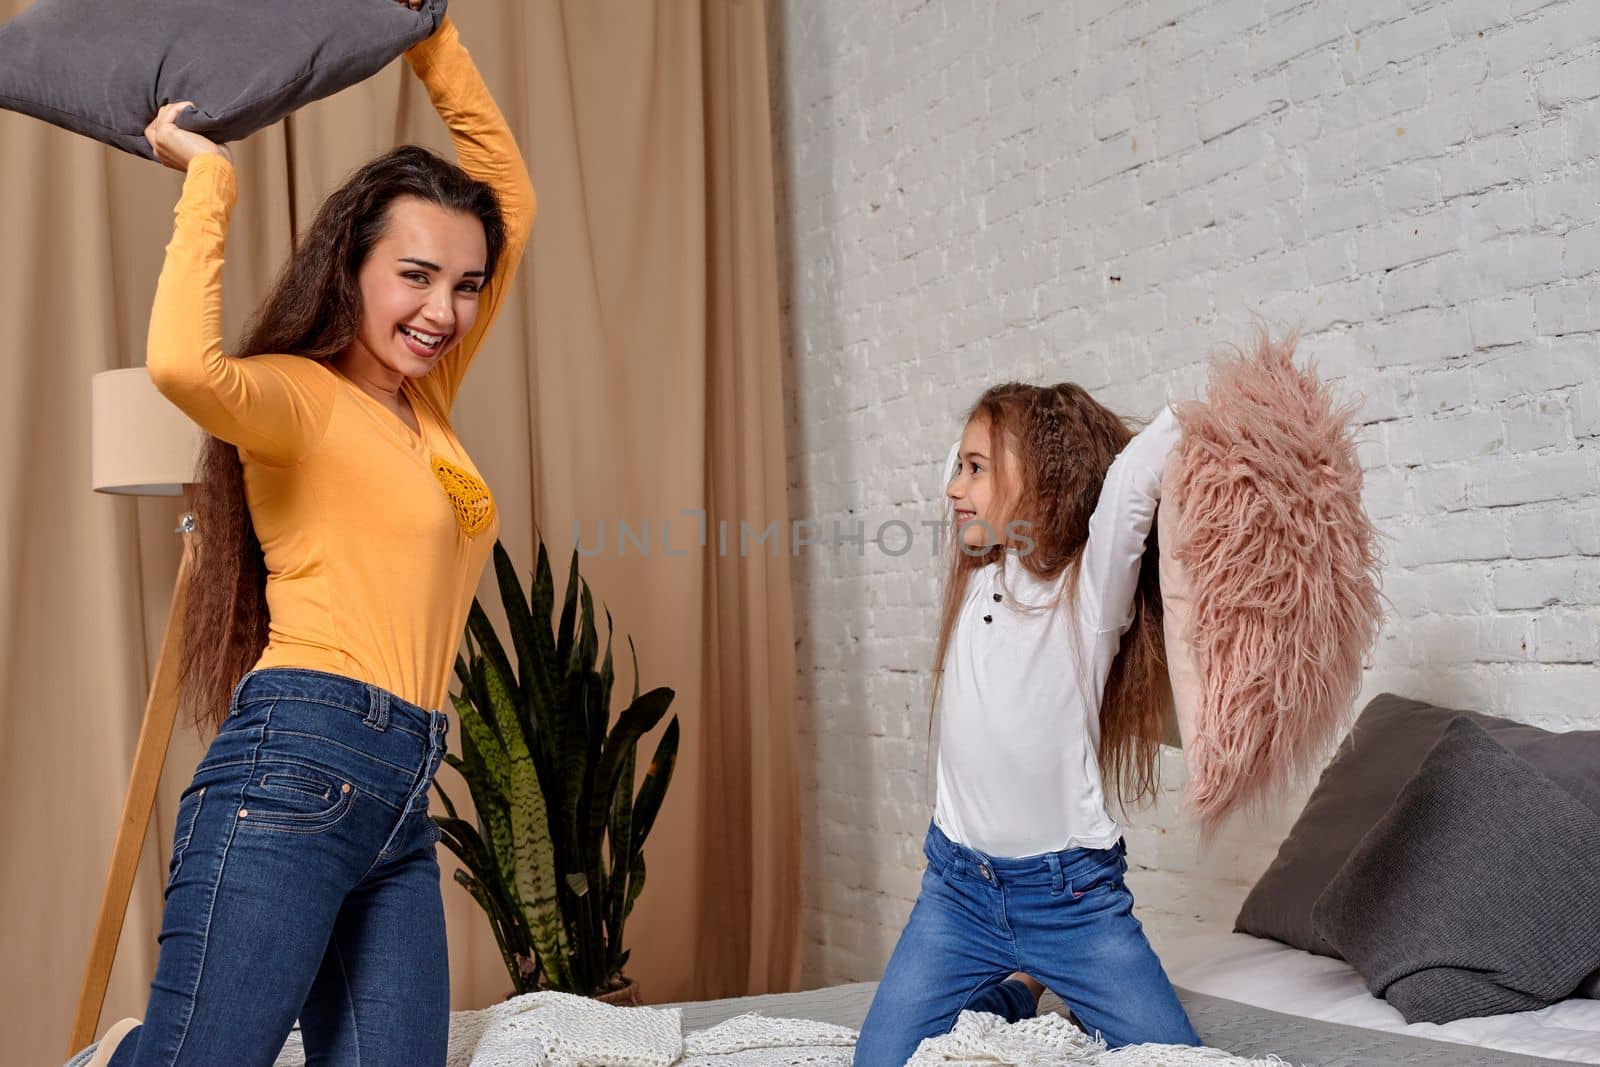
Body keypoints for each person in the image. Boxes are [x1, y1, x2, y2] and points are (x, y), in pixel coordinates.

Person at [77, 7, 534, 1065]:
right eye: (414, 274)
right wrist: (209, 189)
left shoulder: (427, 397)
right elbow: (185, 372)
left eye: (464, 284)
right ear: (353, 268)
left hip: (400, 793)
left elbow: (507, 196)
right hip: (297, 763)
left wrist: (428, 37)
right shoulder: (297, 398)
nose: (444, 309)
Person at [854, 383, 1201, 1065]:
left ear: (1040, 479)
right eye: (958, 465)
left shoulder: (1087, 593)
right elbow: (968, 484)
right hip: (957, 893)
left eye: (975, 468)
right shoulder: (978, 569)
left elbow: (1134, 480)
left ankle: (1030, 980)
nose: (954, 485)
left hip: (1069, 901)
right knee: (878, 1061)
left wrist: (1210, 411)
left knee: (1179, 1060)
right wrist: (979, 462)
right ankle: (1015, 993)